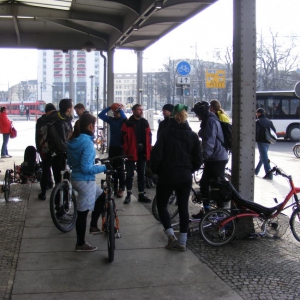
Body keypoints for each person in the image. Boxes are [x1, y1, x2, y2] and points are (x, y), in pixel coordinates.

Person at [151, 104, 202, 251]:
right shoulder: (192, 135)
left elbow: (157, 155)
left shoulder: (165, 133)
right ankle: (182, 243)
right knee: (183, 207)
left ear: (173, 116)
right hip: (185, 176)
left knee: (162, 205)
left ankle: (170, 235)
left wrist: (156, 171)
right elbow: (198, 159)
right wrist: (189, 169)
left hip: (167, 175)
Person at [67, 113, 107, 252]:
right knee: (82, 213)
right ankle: (80, 243)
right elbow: (86, 168)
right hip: (85, 181)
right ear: (91, 126)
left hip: (76, 179)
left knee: (102, 196)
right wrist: (105, 167)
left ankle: (94, 225)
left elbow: (70, 162)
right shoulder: (88, 143)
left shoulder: (73, 141)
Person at [191, 101, 228, 218]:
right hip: (213, 157)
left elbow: (210, 140)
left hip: (217, 158)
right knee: (204, 184)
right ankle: (206, 211)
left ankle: (221, 214)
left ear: (201, 112)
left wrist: (204, 156)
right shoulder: (207, 120)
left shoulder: (211, 121)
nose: (197, 116)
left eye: (197, 114)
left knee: (217, 187)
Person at [121, 103, 152, 204]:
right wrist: (127, 149)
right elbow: (122, 138)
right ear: (133, 111)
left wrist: (148, 147)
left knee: (141, 175)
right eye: (139, 110)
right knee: (129, 174)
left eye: (142, 109)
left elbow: (149, 136)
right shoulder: (127, 123)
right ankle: (129, 194)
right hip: (131, 153)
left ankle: (141, 194)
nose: (141, 111)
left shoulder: (145, 122)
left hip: (142, 152)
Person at [98, 102, 127, 197]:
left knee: (120, 169)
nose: (114, 113)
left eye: (116, 112)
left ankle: (122, 188)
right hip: (112, 147)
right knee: (113, 168)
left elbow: (124, 117)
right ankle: (115, 186)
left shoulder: (122, 120)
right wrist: (109, 107)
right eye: (114, 112)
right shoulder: (112, 120)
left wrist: (120, 109)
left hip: (120, 147)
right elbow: (100, 115)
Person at [48, 99, 73, 185]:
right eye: (72, 107)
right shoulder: (59, 123)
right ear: (68, 109)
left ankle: (66, 197)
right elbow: (61, 144)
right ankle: (60, 198)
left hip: (64, 156)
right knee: (60, 183)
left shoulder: (66, 121)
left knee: (66, 181)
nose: (72, 110)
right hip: (58, 156)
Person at [35, 103, 56, 200]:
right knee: (57, 172)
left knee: (45, 170)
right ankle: (59, 193)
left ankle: (43, 193)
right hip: (56, 150)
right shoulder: (58, 119)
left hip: (45, 149)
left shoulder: (41, 120)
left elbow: (37, 136)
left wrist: (38, 149)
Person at [255, 108, 276, 179]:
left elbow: (256, 133)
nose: (256, 115)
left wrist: (255, 140)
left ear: (259, 113)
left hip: (261, 141)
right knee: (263, 156)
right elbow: (274, 131)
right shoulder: (269, 121)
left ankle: (269, 174)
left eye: (257, 113)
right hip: (268, 141)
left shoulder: (258, 122)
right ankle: (256, 171)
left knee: (264, 157)